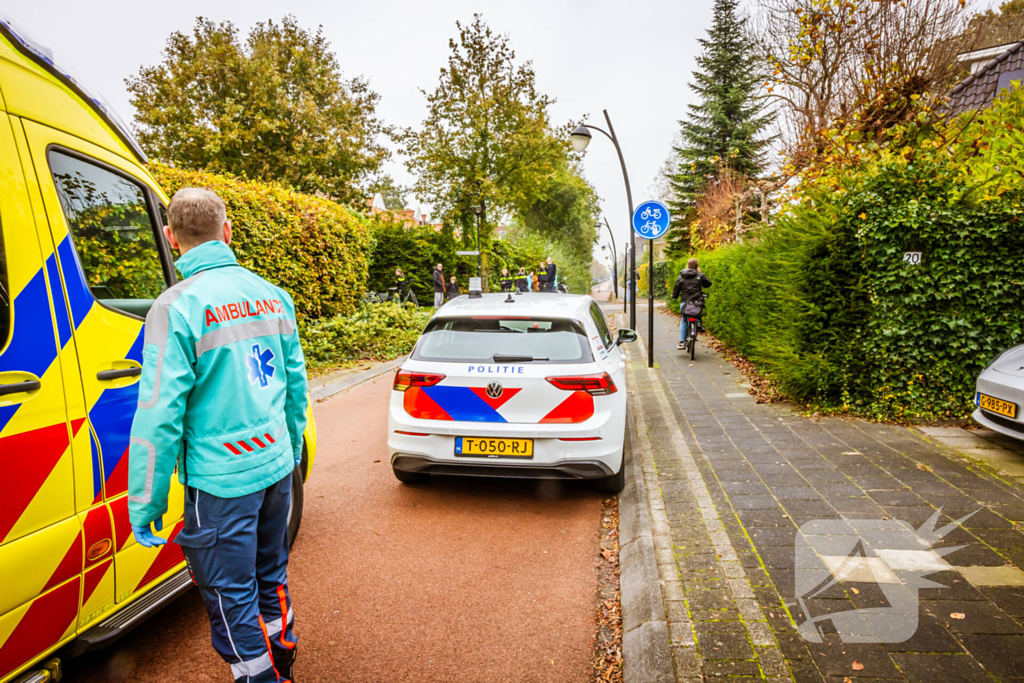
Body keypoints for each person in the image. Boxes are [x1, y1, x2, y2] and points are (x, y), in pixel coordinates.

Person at [127, 188, 307, 683]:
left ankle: (259, 676)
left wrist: (145, 502)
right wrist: (291, 453)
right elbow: (295, 386)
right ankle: (283, 652)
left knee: (231, 596)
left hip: (220, 482)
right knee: (272, 573)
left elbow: (158, 414)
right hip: (274, 466)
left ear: (171, 238)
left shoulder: (175, 306)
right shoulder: (274, 295)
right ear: (227, 232)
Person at [672, 257, 712, 350]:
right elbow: (708, 284)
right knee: (698, 309)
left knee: (684, 320)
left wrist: (674, 296)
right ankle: (698, 322)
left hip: (685, 302)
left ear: (688, 266)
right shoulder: (699, 275)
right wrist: (700, 274)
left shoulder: (681, 277)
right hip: (697, 301)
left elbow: (676, 289)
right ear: (696, 267)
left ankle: (682, 342)